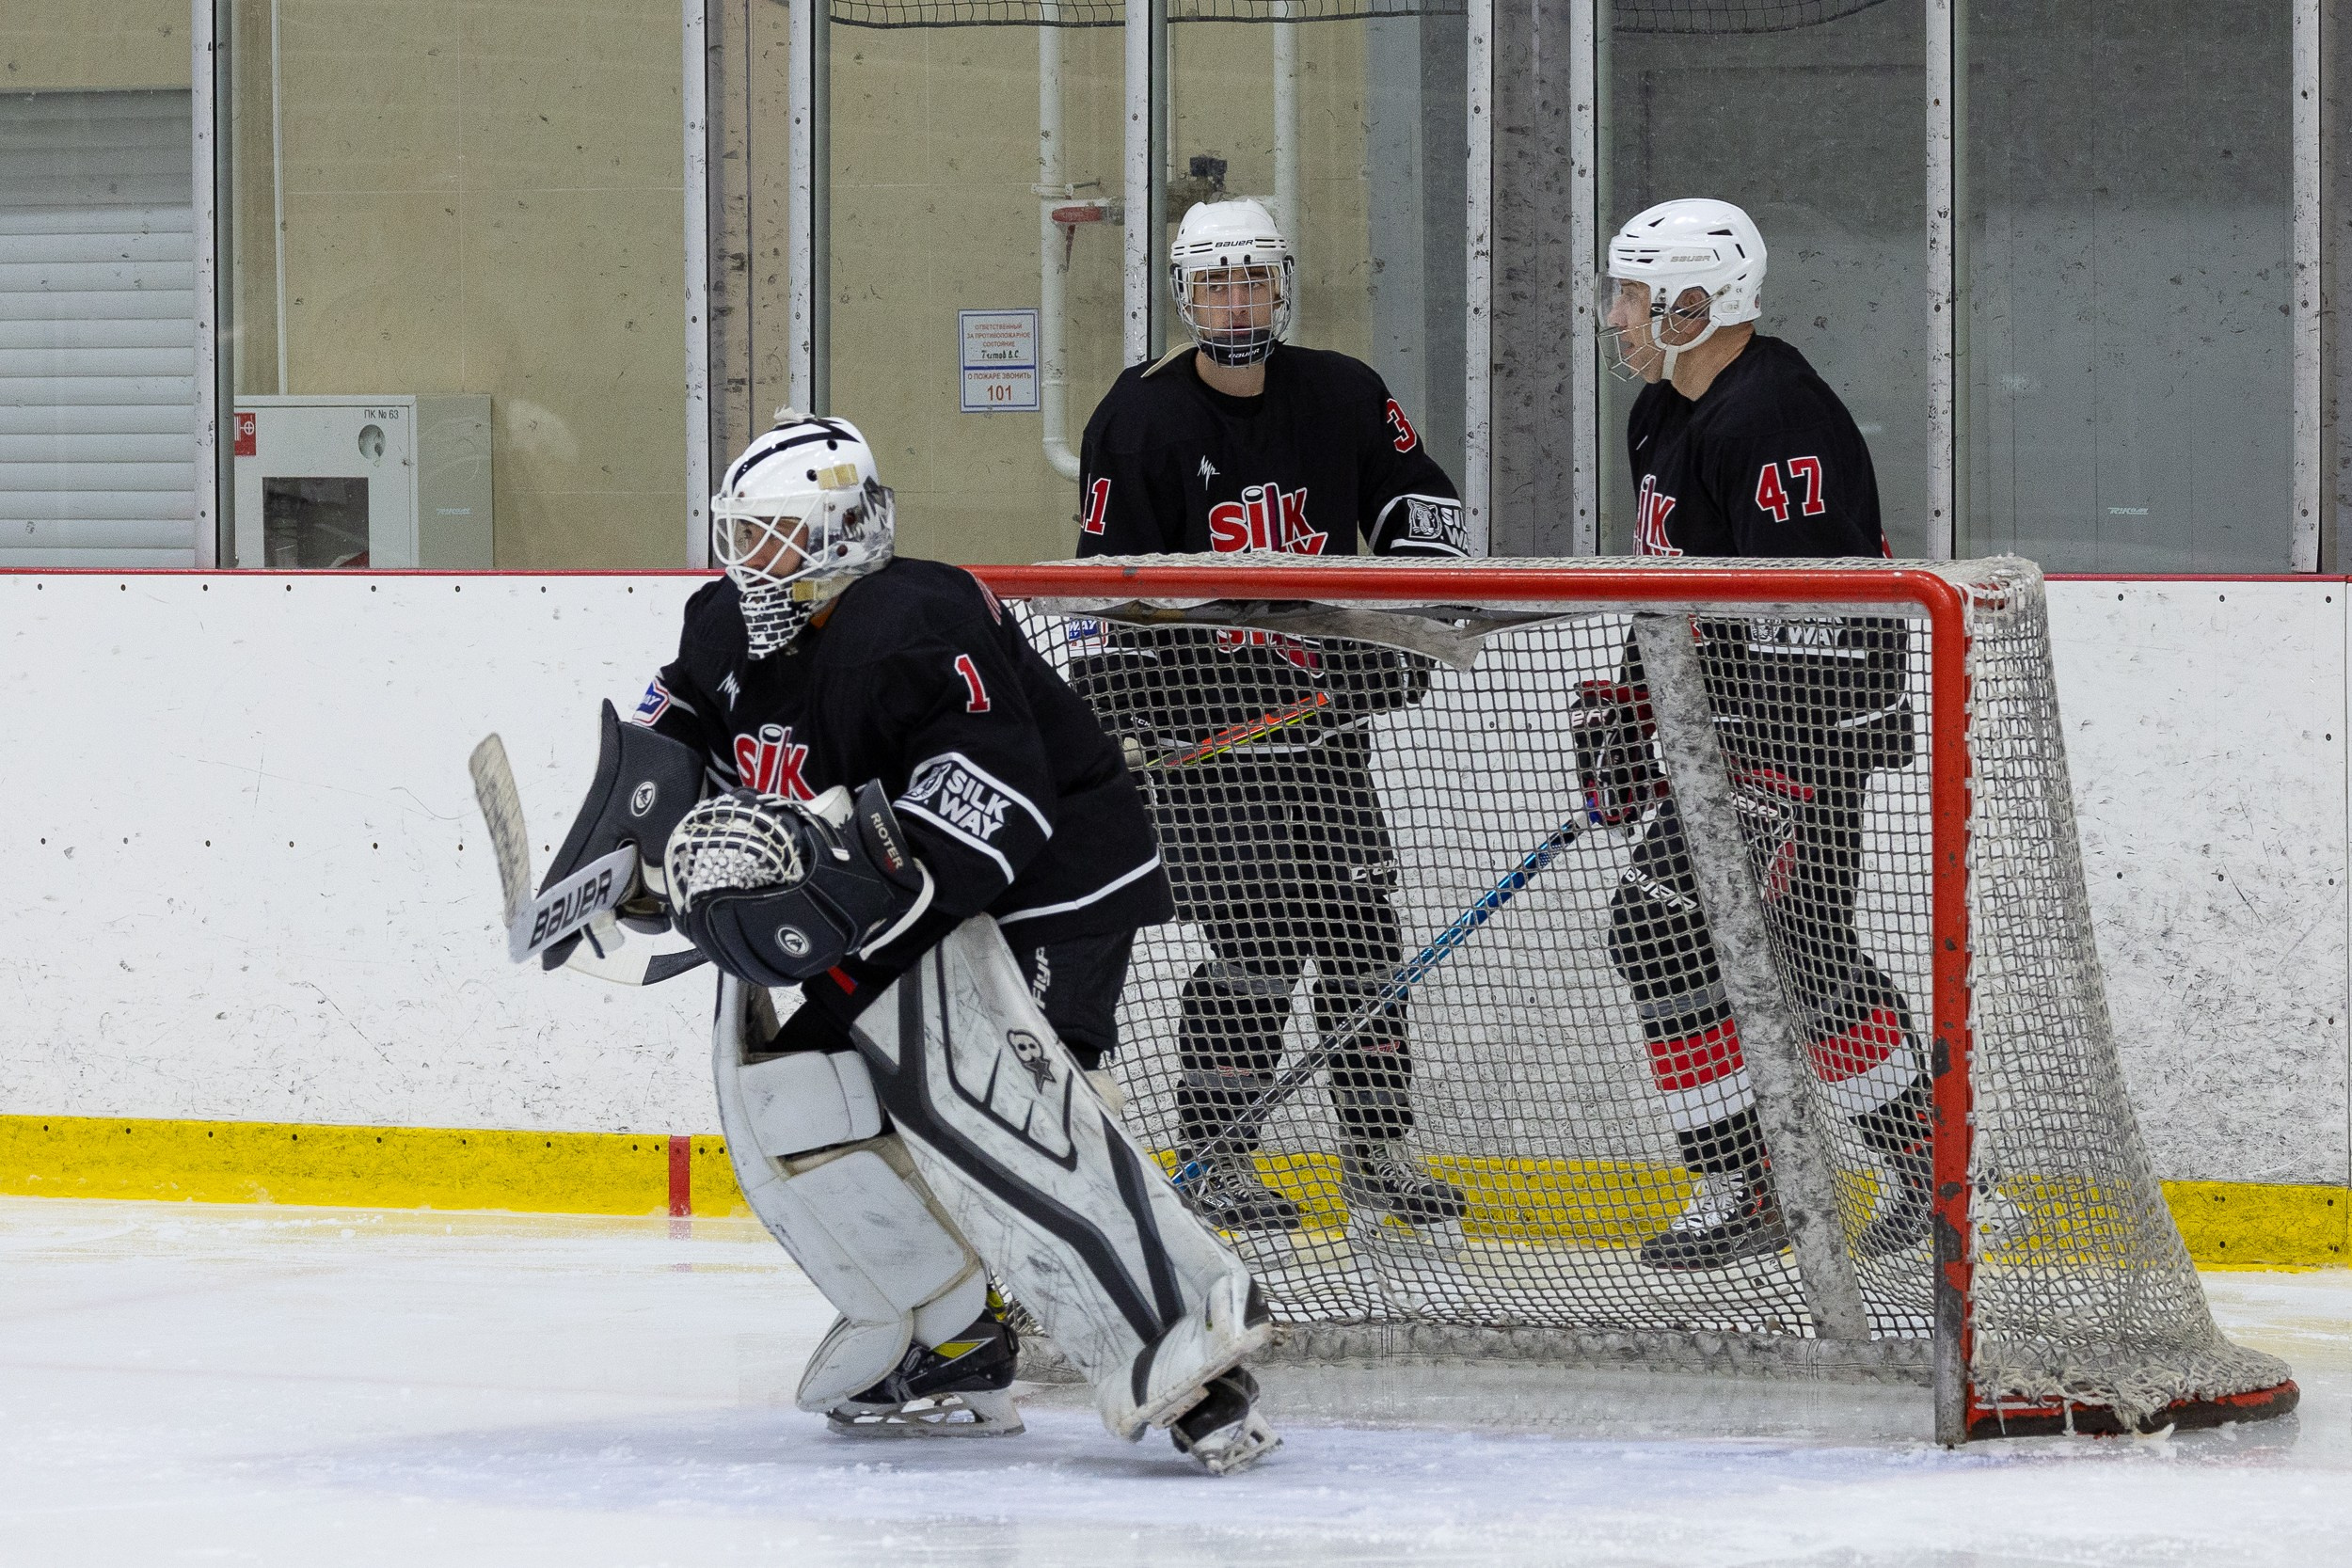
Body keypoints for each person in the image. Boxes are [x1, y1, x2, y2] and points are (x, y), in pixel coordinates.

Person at [536, 410, 1279, 1473]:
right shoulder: (728, 623)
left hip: (1044, 891)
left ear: (838, 531)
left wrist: (832, 883)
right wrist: (620, 859)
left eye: (771, 535)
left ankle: (1194, 1358)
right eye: (738, 533)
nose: (744, 558)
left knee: (1006, 1119)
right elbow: (677, 734)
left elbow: (998, 803)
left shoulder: (915, 617)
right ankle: (950, 1337)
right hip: (903, 901)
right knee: (788, 1090)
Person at [1069, 196, 1470, 1236]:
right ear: (1184, 294)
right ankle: (1213, 1157)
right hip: (1208, 744)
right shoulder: (1139, 415)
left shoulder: (1342, 391)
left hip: (1324, 729)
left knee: (1362, 935)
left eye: (1252, 277)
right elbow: (1113, 589)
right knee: (1256, 940)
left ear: (1282, 283)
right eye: (1214, 280)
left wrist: (1392, 634)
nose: (1235, 298)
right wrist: (1140, 705)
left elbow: (1419, 513)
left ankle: (1377, 1152)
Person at [1588, 197, 1933, 1270]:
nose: (1617, 318)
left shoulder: (1773, 415)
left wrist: (1765, 764)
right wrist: (1637, 707)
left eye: (1633, 297)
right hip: (1727, 737)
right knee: (1808, 949)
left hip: (1804, 738)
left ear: (1694, 301)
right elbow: (1679, 597)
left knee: (1653, 926)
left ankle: (1748, 1179)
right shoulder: (1663, 412)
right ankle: (1928, 1159)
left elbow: (1816, 623)